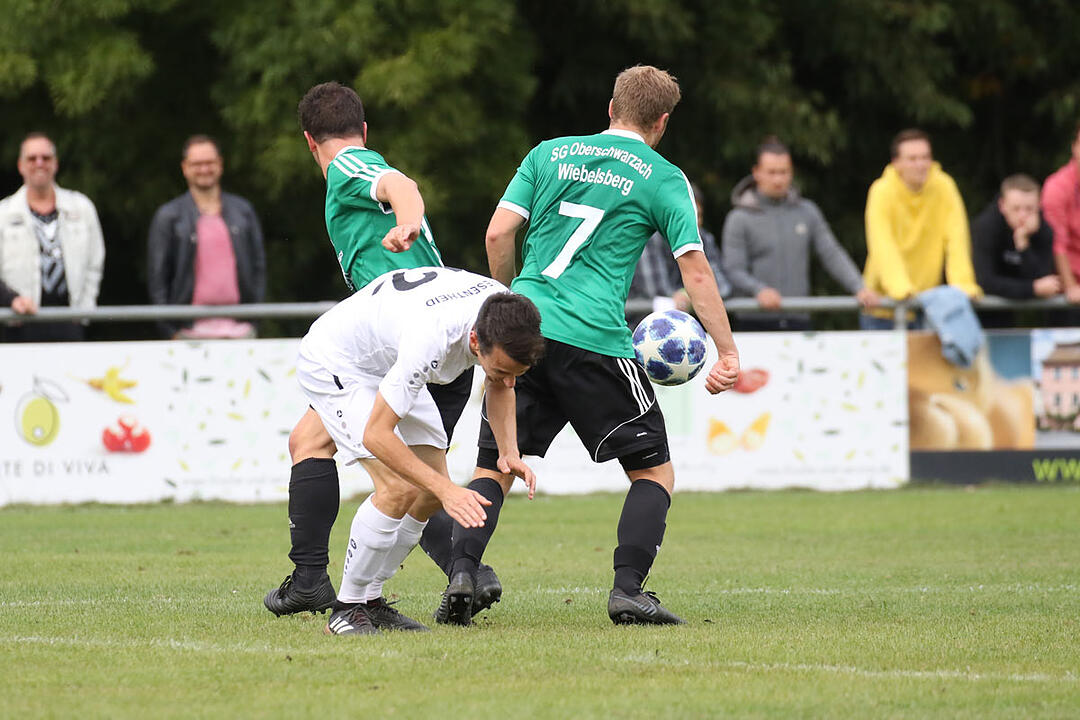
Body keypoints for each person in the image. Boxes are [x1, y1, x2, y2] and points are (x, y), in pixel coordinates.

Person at [427, 65, 740, 627]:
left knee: (494, 465)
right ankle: (628, 591)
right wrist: (728, 352)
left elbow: (498, 233)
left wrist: (507, 308)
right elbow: (692, 269)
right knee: (652, 474)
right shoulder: (665, 177)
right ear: (662, 121)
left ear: (610, 106)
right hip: (595, 341)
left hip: (524, 332)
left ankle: (464, 575)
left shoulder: (548, 153)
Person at [262, 82, 502, 623]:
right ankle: (452, 570)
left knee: (400, 479)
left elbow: (400, 184)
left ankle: (340, 592)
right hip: (431, 348)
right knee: (314, 442)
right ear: (365, 126)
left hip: (409, 349)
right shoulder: (360, 167)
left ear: (308, 142)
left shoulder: (351, 165)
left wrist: (407, 219)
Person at [301, 266, 544, 635]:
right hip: (338, 362)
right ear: (476, 341)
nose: (509, 379)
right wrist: (448, 490)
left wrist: (508, 452)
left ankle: (372, 601)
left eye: (518, 373)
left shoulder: (505, 312)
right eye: (501, 368)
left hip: (386, 362)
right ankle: (346, 609)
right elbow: (377, 436)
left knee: (427, 494)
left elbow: (500, 384)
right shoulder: (431, 339)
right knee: (399, 489)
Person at [723, 137, 878, 330]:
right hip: (753, 320)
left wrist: (859, 287)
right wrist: (759, 291)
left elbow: (831, 253)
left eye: (783, 172)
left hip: (799, 319)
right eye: (771, 172)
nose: (778, 179)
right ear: (756, 173)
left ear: (791, 173)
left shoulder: (807, 211)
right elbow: (733, 269)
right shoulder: (738, 218)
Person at [146, 135, 266, 339]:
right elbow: (157, 277)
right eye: (197, 164)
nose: (204, 169)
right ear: (185, 167)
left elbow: (258, 267)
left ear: (220, 164)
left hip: (240, 330)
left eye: (209, 163)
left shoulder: (243, 211)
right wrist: (170, 330)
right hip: (187, 332)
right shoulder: (168, 217)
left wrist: (254, 320)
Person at [861, 129, 980, 329]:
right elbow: (882, 243)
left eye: (925, 157)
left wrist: (963, 285)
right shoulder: (881, 191)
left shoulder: (944, 186)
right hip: (883, 307)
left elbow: (957, 239)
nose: (921, 165)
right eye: (912, 159)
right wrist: (900, 288)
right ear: (896, 163)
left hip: (925, 306)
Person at [0, 132, 105, 342]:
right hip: (19, 322)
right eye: (32, 158)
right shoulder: (4, 213)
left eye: (46, 158)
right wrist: (11, 301)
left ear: (55, 164)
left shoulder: (81, 207)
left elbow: (95, 263)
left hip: (70, 321)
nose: (39, 163)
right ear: (21, 165)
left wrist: (84, 309)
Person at [627, 182, 730, 328]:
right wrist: (698, 293)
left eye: (698, 215)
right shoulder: (649, 238)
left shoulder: (704, 237)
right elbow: (658, 291)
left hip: (689, 327)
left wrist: (686, 295)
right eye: (687, 215)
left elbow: (723, 286)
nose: (693, 222)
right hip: (640, 327)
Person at [971, 174, 1060, 303]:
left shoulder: (1044, 229)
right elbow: (984, 281)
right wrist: (1031, 288)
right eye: (1016, 208)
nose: (1023, 215)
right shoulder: (986, 227)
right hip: (983, 306)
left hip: (1015, 303)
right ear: (1002, 205)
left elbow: (1044, 280)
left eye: (1029, 208)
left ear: (1039, 205)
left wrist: (1023, 245)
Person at [1042, 121, 1080, 305]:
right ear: (1074, 147)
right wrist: (1071, 286)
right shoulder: (1056, 187)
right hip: (1067, 291)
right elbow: (1057, 243)